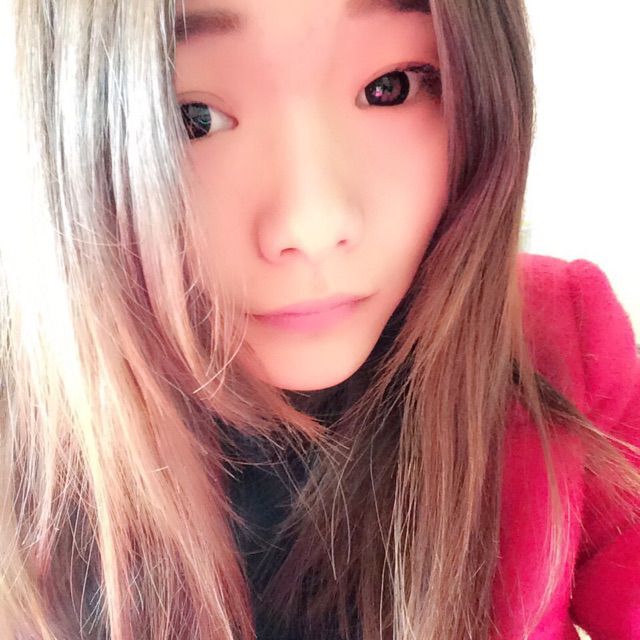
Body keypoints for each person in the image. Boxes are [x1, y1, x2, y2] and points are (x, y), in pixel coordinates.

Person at [1, 0, 638, 638]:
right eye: (191, 118)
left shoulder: (557, 343)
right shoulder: (21, 431)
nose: (312, 226)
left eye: (390, 88)